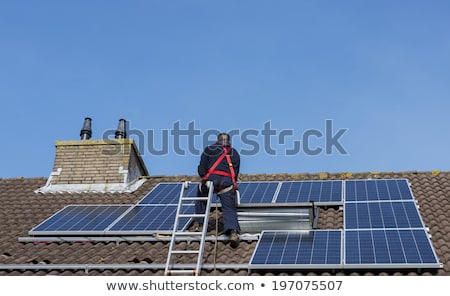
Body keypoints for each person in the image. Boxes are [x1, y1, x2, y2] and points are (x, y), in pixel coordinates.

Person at [194, 132, 241, 248]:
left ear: (217, 141)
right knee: (229, 207)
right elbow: (235, 172)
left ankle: (200, 224)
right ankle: (232, 231)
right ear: (229, 142)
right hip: (227, 183)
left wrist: (205, 177)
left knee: (201, 196)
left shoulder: (209, 149)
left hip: (211, 181)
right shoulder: (234, 153)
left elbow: (201, 169)